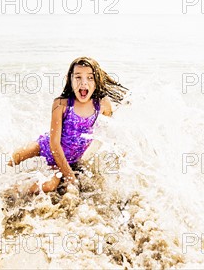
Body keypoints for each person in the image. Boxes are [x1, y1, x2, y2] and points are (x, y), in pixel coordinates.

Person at [7, 56, 127, 195]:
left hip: (67, 159)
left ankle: (14, 191)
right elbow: (54, 144)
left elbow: (106, 132)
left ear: (97, 81)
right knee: (12, 160)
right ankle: (1, 189)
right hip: (47, 147)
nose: (83, 83)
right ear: (70, 79)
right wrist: (69, 175)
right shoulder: (61, 104)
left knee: (49, 186)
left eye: (90, 78)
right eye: (78, 77)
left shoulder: (102, 104)